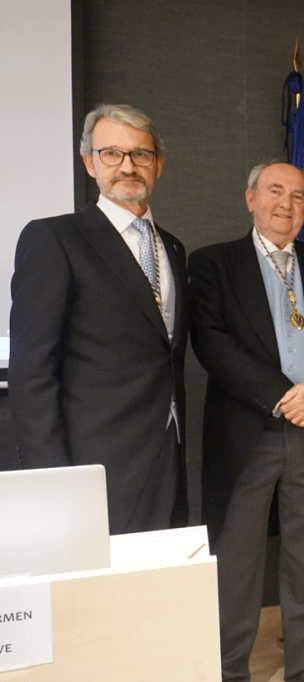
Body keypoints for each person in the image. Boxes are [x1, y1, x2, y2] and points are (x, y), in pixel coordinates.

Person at [188, 162, 304, 682]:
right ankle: (228, 669)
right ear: (251, 199)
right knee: (236, 558)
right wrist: (283, 397)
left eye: (298, 196)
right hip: (247, 432)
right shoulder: (213, 263)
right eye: (275, 191)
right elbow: (211, 341)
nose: (286, 203)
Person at [9, 103, 188, 534]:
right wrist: (52, 478)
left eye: (140, 154)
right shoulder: (54, 238)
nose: (127, 166)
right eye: (112, 154)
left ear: (158, 165)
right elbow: (31, 370)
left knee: (159, 572)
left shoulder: (173, 248)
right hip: (92, 464)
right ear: (90, 163)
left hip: (168, 453)